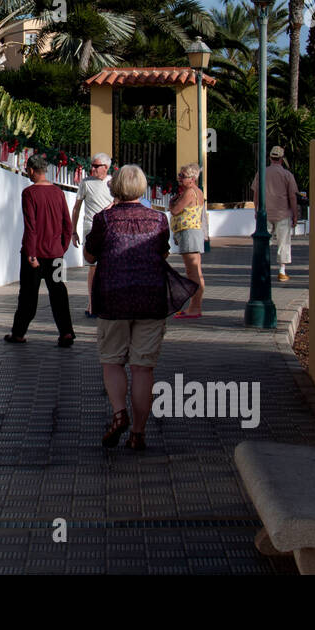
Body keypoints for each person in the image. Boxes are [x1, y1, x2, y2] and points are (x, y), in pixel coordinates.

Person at [85, 165, 194, 449]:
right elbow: (162, 252)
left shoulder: (104, 220)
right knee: (143, 369)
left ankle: (119, 413)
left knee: (112, 361)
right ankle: (138, 432)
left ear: (115, 187)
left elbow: (90, 255)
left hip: (114, 299)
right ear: (143, 188)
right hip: (151, 298)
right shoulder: (159, 220)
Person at [6, 155, 75, 348]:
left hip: (34, 255)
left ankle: (18, 333)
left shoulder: (29, 194)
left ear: (31, 170)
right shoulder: (59, 193)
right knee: (59, 292)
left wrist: (31, 253)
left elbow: (31, 226)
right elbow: (67, 225)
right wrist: (62, 248)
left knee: (28, 294)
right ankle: (67, 332)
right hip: (56, 254)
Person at [71, 153, 113, 317]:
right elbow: (77, 207)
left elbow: (119, 201)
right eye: (92, 165)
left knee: (109, 267)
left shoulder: (113, 183)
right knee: (93, 267)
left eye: (96, 166)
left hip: (109, 229)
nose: (92, 168)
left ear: (106, 167)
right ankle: (92, 303)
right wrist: (73, 231)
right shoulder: (85, 183)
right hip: (91, 228)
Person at [252, 145, 299, 281]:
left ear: (270, 158)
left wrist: (256, 210)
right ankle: (282, 270)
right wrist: (295, 214)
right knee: (283, 242)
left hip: (266, 212)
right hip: (283, 213)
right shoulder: (287, 175)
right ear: (282, 158)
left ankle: (263, 269)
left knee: (264, 242)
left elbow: (256, 194)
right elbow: (292, 196)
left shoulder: (262, 173)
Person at [168, 162, 205, 318]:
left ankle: (195, 308)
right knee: (196, 271)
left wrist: (172, 203)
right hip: (192, 232)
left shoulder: (190, 192)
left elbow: (176, 210)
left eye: (183, 176)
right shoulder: (197, 191)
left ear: (192, 178)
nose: (179, 178)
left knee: (193, 272)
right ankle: (195, 306)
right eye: (179, 175)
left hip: (189, 232)